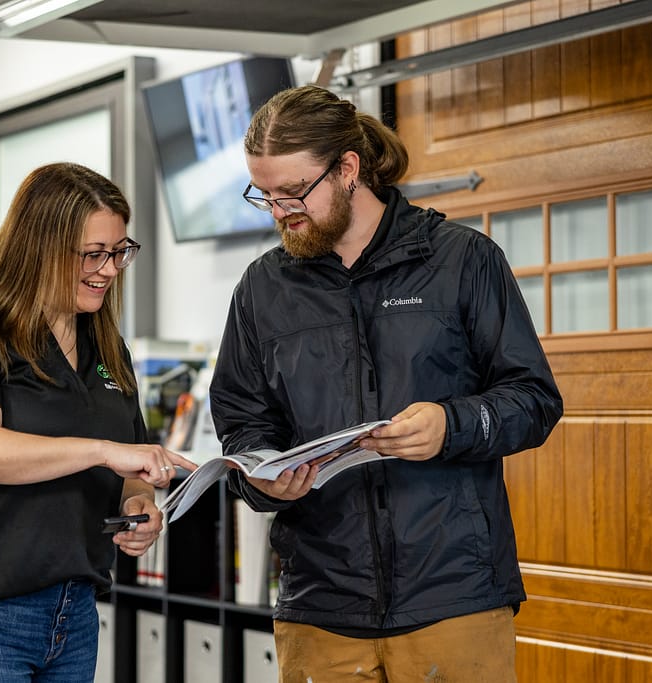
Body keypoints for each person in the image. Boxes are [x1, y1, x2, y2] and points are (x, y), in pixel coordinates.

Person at [208, 85, 563, 682]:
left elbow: (533, 399)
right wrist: (270, 484)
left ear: (348, 170)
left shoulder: (463, 261)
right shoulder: (261, 290)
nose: (278, 210)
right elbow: (243, 424)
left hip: (453, 598)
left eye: (293, 191)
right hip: (319, 606)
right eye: (263, 195)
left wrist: (452, 425)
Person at [0, 162, 196, 682]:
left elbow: (126, 467)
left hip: (72, 615)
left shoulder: (106, 347)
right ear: (39, 246)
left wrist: (137, 504)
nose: (109, 269)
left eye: (120, 252)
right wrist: (101, 450)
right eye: (93, 254)